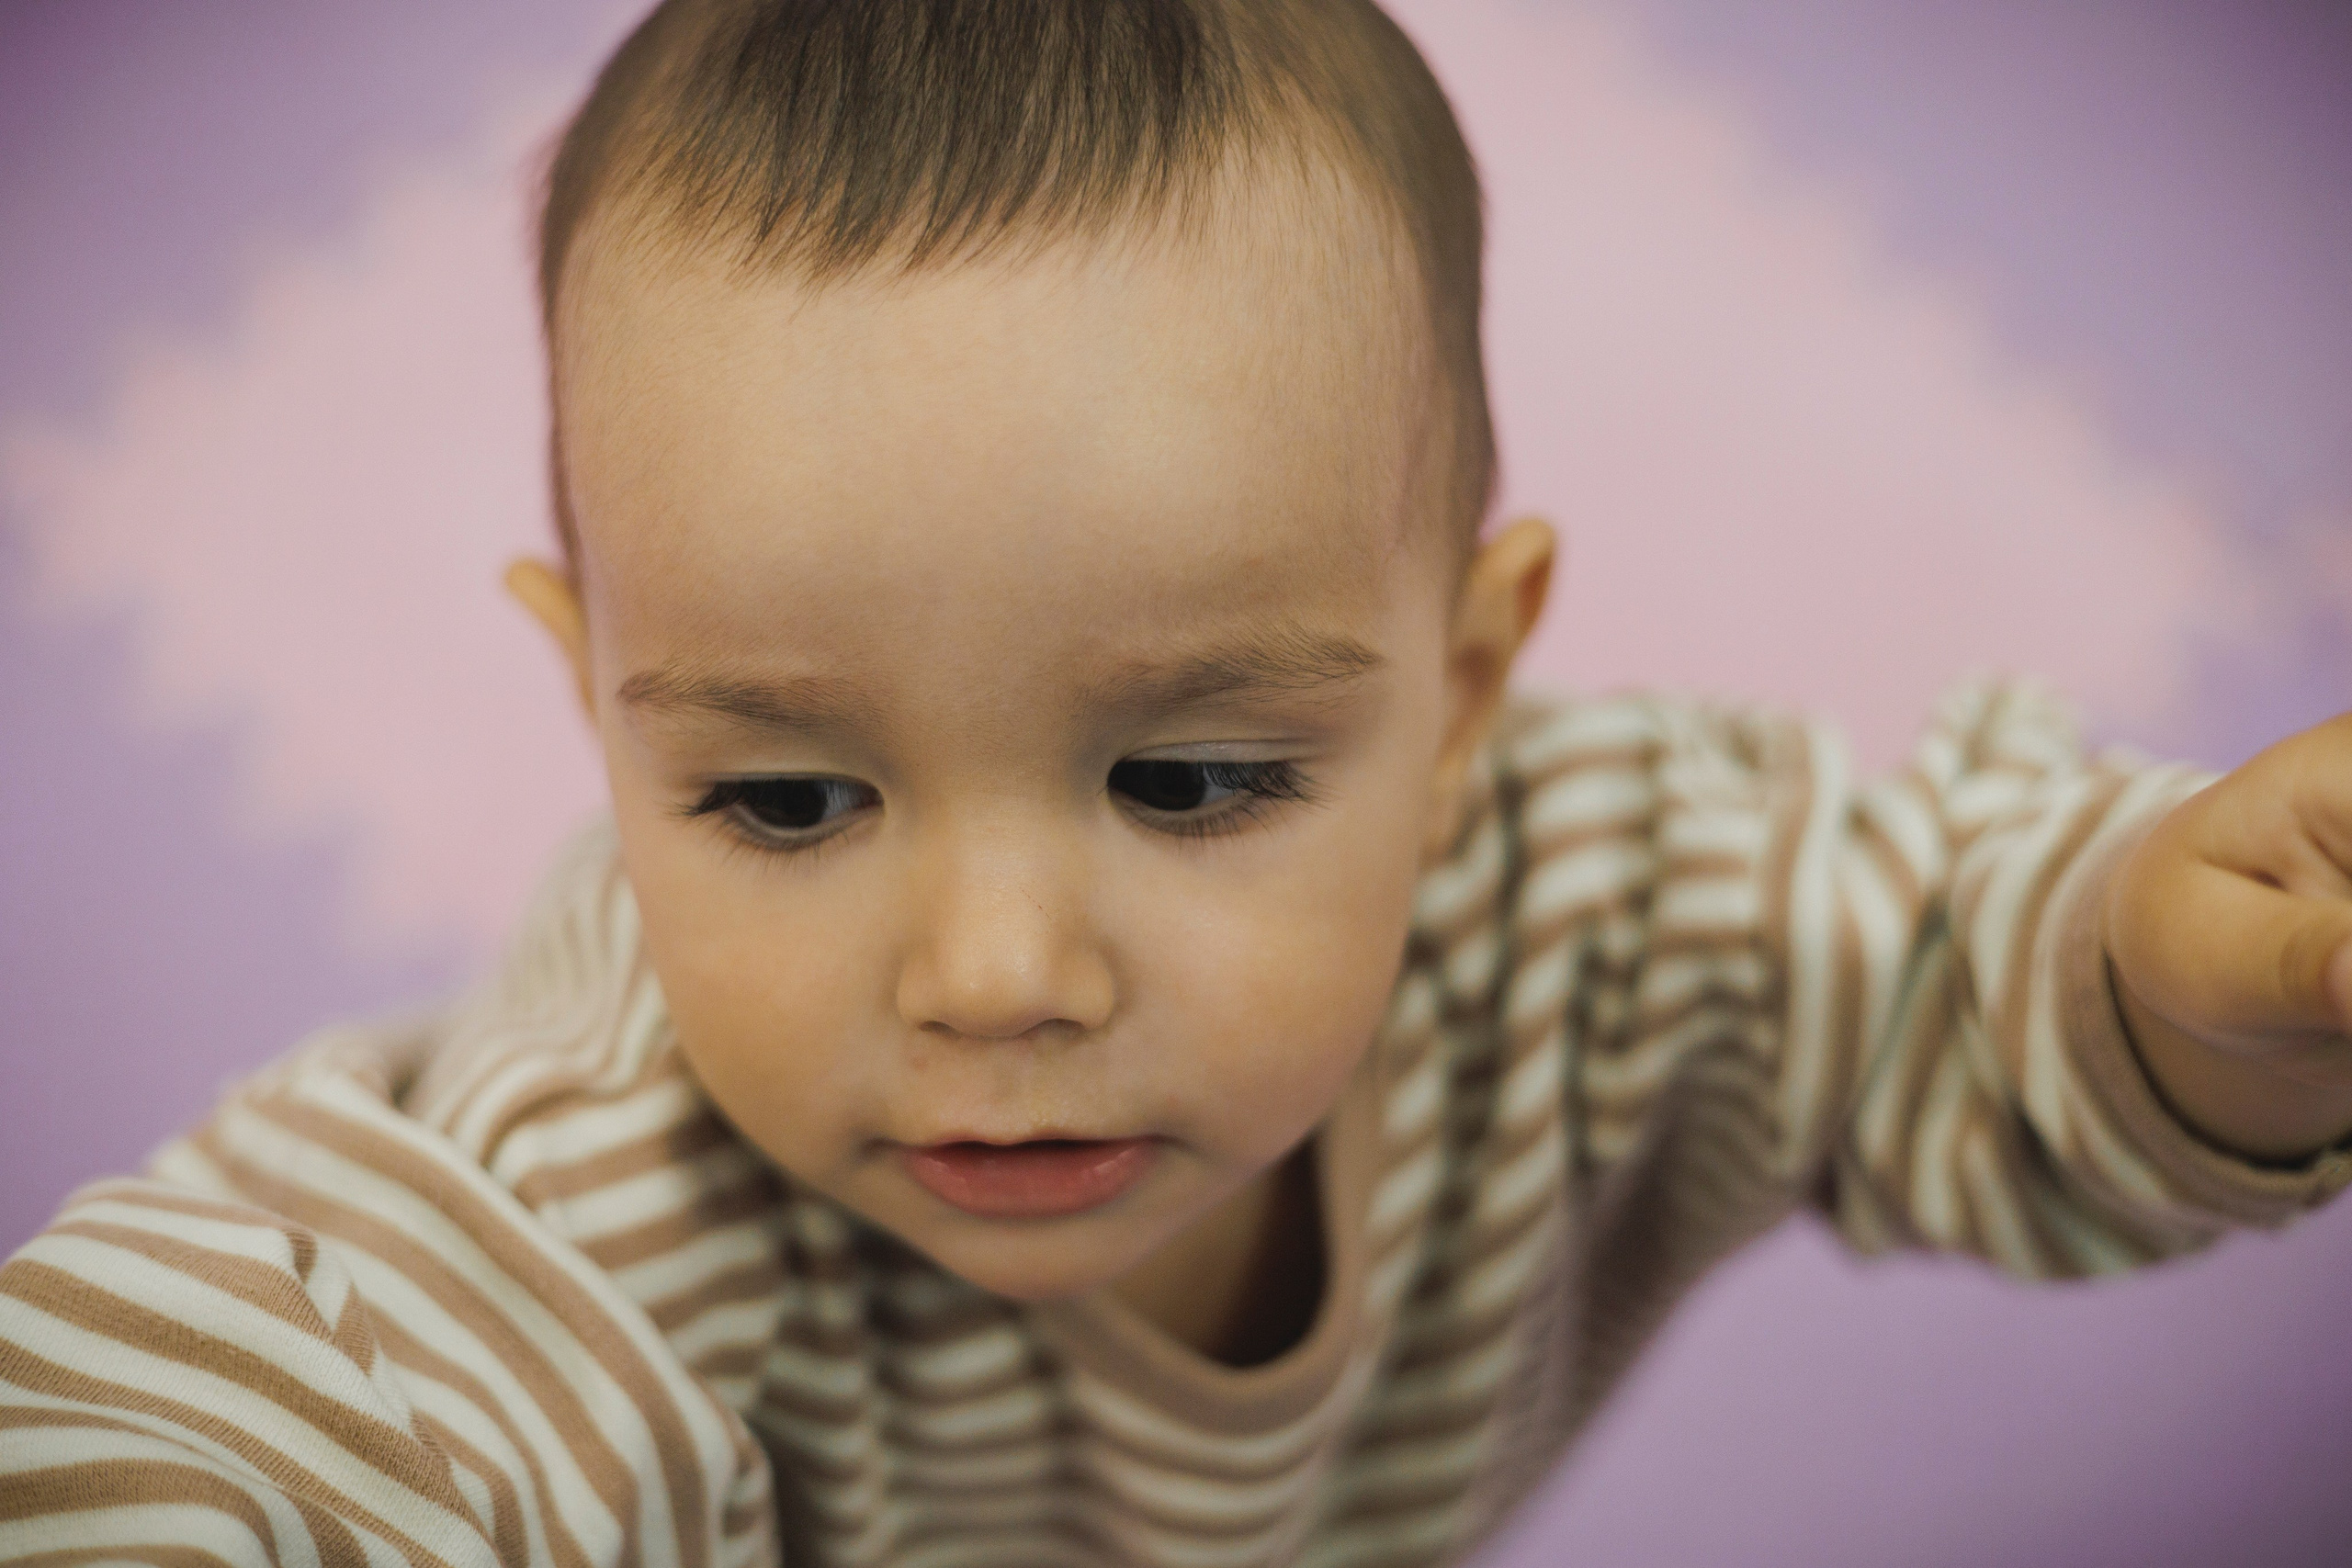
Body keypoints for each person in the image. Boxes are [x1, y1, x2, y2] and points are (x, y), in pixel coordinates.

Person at [3, 1, 2348, 1562]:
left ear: (1460, 696)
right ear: (599, 702)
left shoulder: (1612, 909)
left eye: (1200, 772)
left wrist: (2161, 963)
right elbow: (315, 1375)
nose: (996, 974)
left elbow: (1933, 950)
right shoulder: (614, 1182)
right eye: (789, 803)